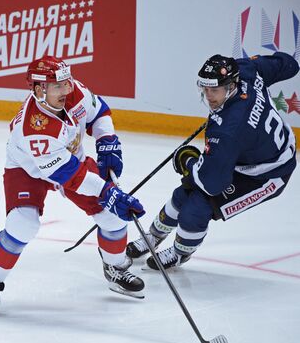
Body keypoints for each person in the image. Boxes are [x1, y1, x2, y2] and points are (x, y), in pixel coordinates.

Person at [0, 56, 146, 310]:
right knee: (22, 225)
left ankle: (115, 267)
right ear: (38, 89)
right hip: (27, 170)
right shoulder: (34, 129)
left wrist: (106, 140)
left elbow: (99, 112)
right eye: (57, 86)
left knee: (112, 217)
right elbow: (71, 176)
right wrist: (108, 192)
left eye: (66, 83)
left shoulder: (73, 90)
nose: (66, 90)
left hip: (70, 161)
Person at [126, 52, 298, 270]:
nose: (209, 96)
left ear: (231, 85)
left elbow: (212, 183)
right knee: (184, 192)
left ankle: (180, 253)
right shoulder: (246, 71)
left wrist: (188, 163)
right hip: (246, 155)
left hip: (269, 174)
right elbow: (289, 64)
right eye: (205, 89)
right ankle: (154, 236)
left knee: (197, 207)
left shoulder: (228, 131)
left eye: (214, 90)